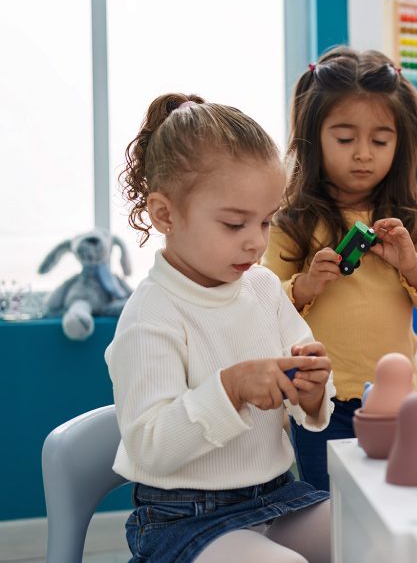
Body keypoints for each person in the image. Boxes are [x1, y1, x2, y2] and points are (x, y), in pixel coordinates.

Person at [108, 94, 335, 562]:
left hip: (276, 496)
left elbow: (306, 375)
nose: (255, 240)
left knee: (370, 532)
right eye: (235, 224)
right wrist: (229, 389)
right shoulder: (151, 314)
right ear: (165, 214)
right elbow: (149, 446)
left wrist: (312, 391)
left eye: (266, 221)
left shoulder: (265, 288)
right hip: (185, 520)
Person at [263, 46, 417, 490]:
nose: (363, 154)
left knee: (404, 496)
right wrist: (307, 284)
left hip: (400, 398)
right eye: (345, 139)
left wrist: (410, 262)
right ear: (313, 137)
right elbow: (263, 298)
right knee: (329, 509)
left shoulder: (407, 220)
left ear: (400, 144)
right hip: (320, 399)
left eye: (380, 140)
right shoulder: (295, 219)